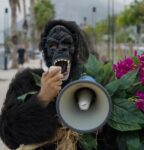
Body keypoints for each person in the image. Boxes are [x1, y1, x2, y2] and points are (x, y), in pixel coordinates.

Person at [0, 20, 118, 150]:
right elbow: (8, 134)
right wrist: (42, 98)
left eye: (66, 44)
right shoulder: (27, 82)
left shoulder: (93, 83)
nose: (61, 49)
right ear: (45, 52)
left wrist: (100, 125)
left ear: (75, 50)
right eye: (53, 46)